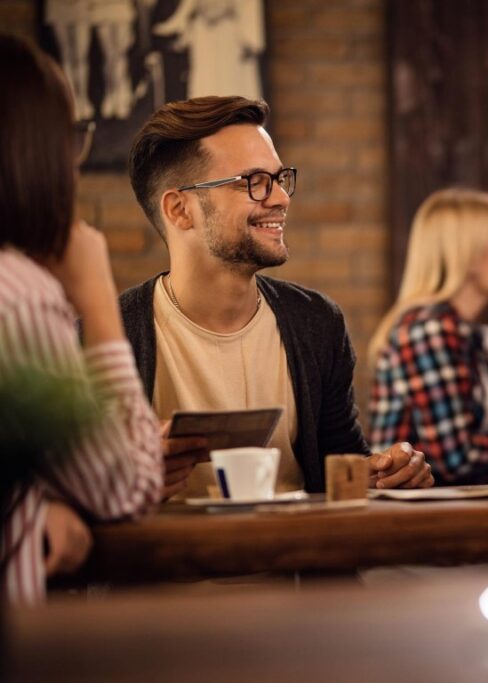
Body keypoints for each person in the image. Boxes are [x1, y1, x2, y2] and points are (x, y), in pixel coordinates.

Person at [123, 95, 433, 500]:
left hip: (294, 560)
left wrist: (388, 474)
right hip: (167, 564)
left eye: (278, 178)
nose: (281, 198)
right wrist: (122, 486)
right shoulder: (107, 338)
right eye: (252, 181)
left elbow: (339, 464)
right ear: (181, 210)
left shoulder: (316, 321)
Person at [0, 34, 162, 605]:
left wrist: (30, 500)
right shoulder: (20, 297)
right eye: (71, 138)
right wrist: (95, 298)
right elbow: (128, 486)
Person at [368, 189, 488, 485]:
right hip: (415, 516)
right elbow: (457, 460)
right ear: (471, 256)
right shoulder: (430, 330)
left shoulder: (463, 333)